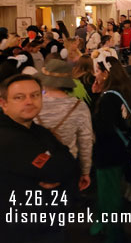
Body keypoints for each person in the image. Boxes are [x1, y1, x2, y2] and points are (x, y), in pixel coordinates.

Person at [0, 74, 80, 243]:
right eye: (19, 97)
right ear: (3, 104)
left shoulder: (37, 131)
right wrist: (59, 164)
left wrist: (60, 165)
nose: (29, 101)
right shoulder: (8, 138)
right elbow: (56, 170)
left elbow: (69, 162)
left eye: (35, 95)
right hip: (21, 230)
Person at [90, 56, 131, 240]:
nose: (95, 75)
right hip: (122, 150)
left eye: (97, 71)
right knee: (112, 194)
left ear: (105, 73)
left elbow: (103, 128)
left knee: (109, 197)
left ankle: (113, 234)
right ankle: (104, 225)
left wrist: (97, 99)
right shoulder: (127, 90)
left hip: (108, 153)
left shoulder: (109, 98)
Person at [34, 59, 93, 192]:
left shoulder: (33, 105)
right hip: (67, 165)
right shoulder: (79, 107)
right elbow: (85, 142)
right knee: (65, 208)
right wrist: (85, 171)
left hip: (36, 165)